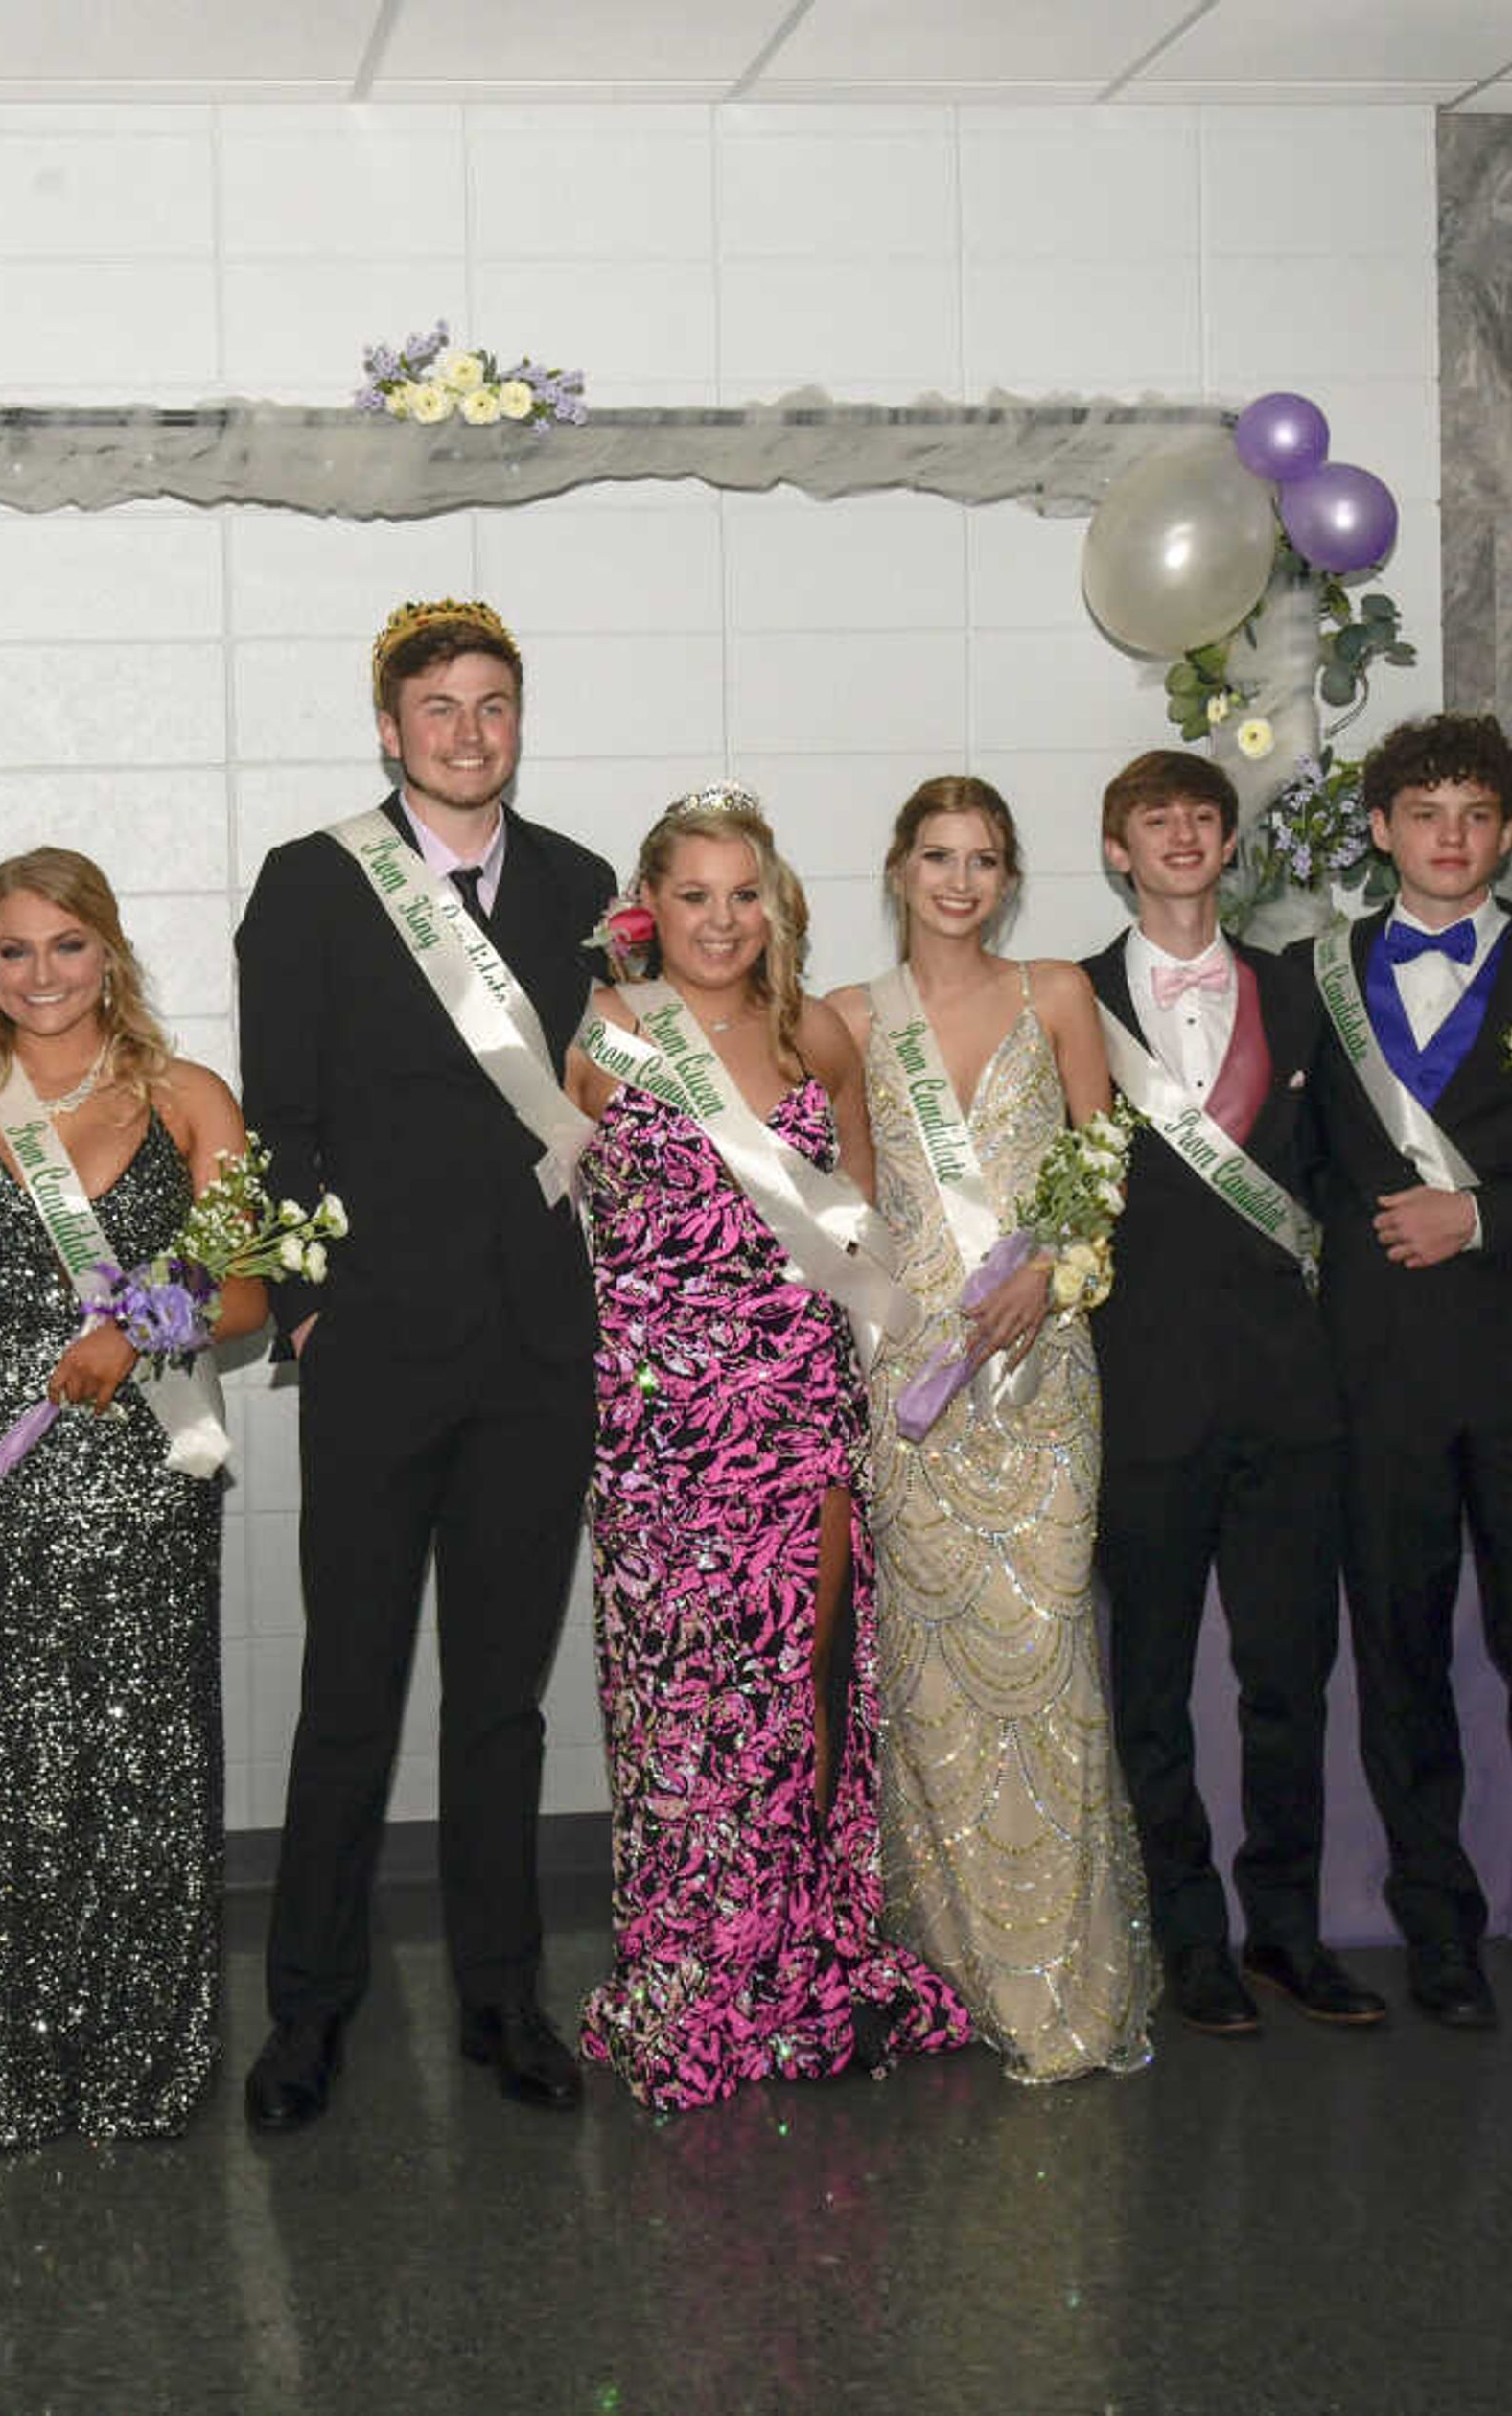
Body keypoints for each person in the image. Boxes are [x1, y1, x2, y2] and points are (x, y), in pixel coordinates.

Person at [234, 601, 617, 2131]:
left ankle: (499, 1997)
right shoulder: (315, 884)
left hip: (536, 1351)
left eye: (494, 705)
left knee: (500, 1703)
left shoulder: (591, 888)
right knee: (349, 1692)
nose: (470, 732)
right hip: (378, 1349)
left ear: (519, 721)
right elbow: (281, 1124)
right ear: (388, 729)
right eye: (440, 709)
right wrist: (315, 1313)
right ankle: (309, 2013)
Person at [0, 850, 262, 2147]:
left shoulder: (189, 1097)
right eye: (12, 950)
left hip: (148, 1453)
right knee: (21, 1724)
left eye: (65, 945)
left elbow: (247, 1297)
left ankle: (142, 2046)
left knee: (149, 1729)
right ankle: (10, 2046)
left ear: (110, 954)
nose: (41, 974)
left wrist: (141, 1323)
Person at [564, 786, 969, 2112]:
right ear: (651, 908)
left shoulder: (817, 1037)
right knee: (679, 1711)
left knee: (798, 1702)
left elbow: (855, 1229)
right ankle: (689, 1980)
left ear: (775, 904)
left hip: (800, 1416)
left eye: (745, 894)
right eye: (694, 895)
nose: (722, 919)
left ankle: (801, 1969)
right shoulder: (611, 1035)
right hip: (662, 1425)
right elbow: (554, 1219)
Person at [1304, 712, 1512, 2029]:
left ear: (1508, 832)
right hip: (1375, 1377)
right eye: (1426, 811)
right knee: (1399, 1661)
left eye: (1477, 813)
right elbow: (1307, 1177)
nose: (1452, 836)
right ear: (1383, 828)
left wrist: (1487, 1215)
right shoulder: (1309, 974)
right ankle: (1434, 1926)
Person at [827, 775, 1153, 2081]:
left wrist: (1055, 1266)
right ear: (899, 869)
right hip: (915, 1382)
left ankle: (1064, 1985)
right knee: (928, 1677)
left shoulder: (1059, 993)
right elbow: (846, 1196)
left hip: (1043, 1367)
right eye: (937, 856)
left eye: (985, 859)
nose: (960, 880)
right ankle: (949, 1974)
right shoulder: (847, 1018)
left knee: (1050, 1656)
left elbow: (1105, 1164)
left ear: (1010, 879)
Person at [1075, 752, 1384, 2043]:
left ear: (1228, 844)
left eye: (1204, 817)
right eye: (1158, 820)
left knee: (1286, 1682)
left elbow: (1349, 1189)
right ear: (1118, 852)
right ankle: (1188, 1940)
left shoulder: (1304, 998)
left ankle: (1289, 1934)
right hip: (1142, 1398)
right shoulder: (1069, 1000)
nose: (1185, 836)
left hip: (1286, 1400)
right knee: (1146, 1685)